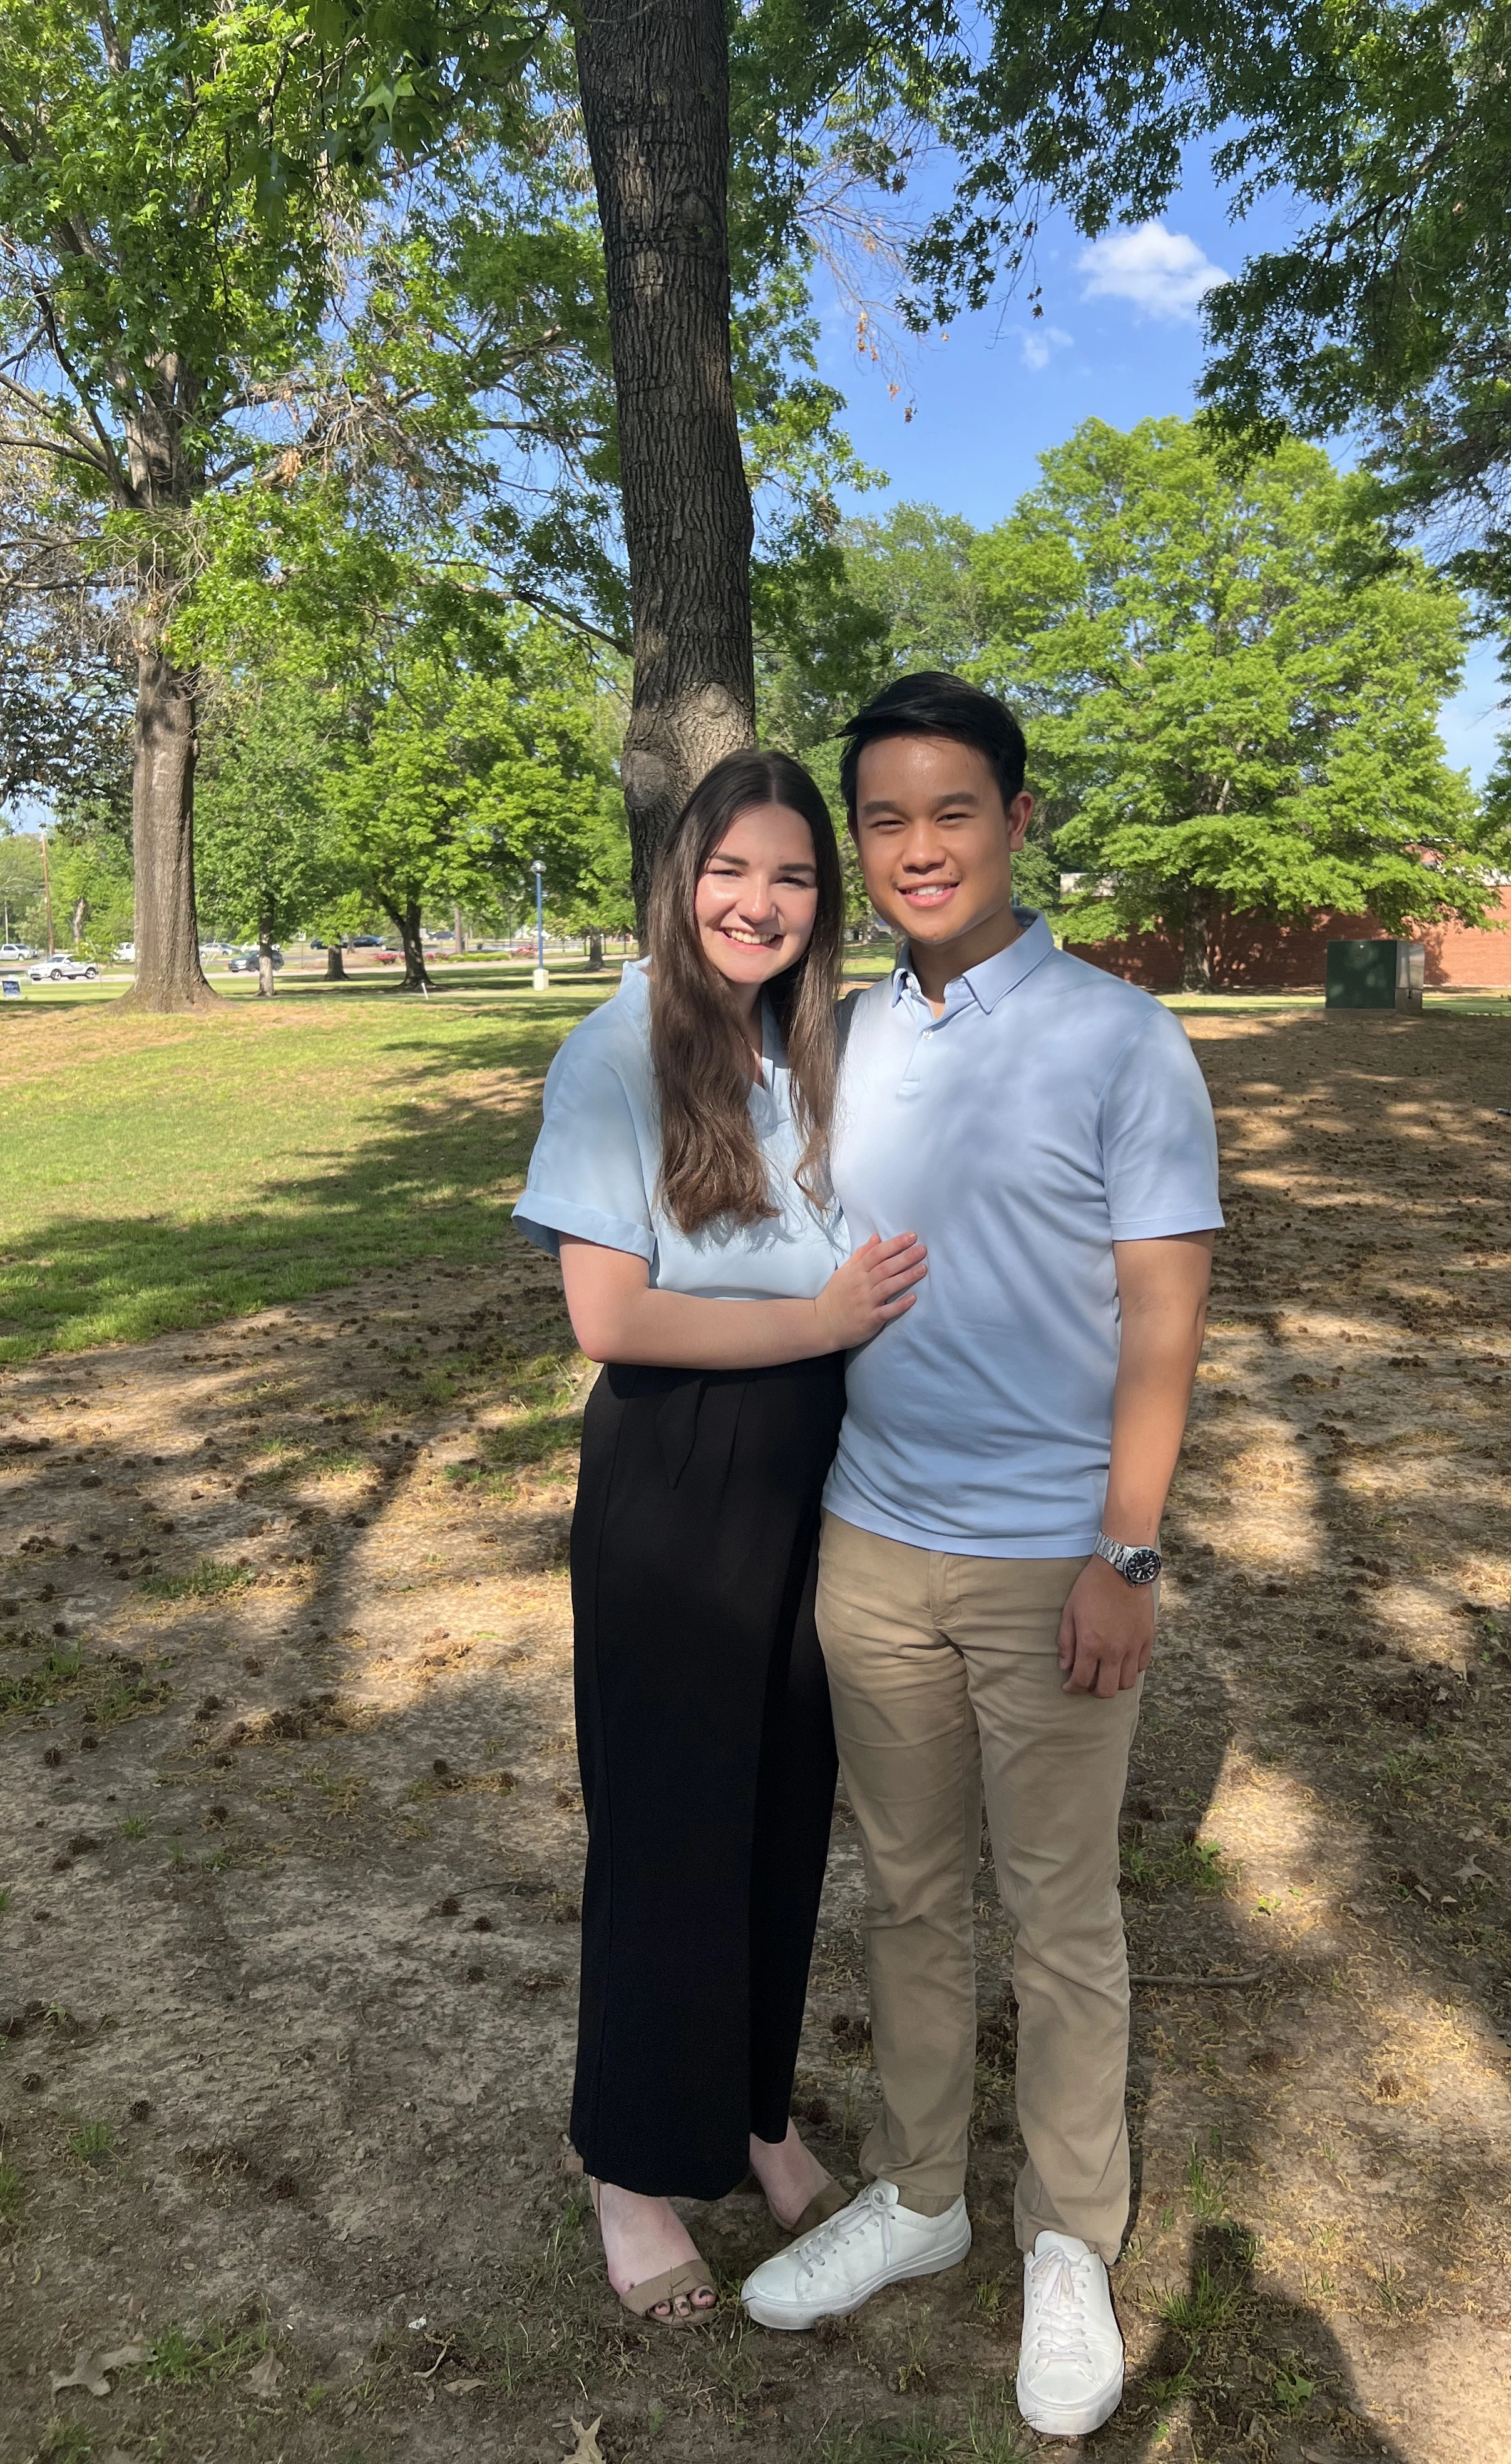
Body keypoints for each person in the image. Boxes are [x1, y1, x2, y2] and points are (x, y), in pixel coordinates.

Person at [740, 675, 1221, 2438]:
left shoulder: (1121, 1039)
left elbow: (1164, 1327)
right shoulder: (846, 1035)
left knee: (1063, 1919)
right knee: (913, 1896)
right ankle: (925, 2198)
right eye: (885, 818)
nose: (918, 846)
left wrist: (1129, 1551)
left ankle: (1071, 2242)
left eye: (954, 810)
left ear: (1020, 821)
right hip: (872, 1546)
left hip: (1051, 1564)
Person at [512, 748, 928, 2328]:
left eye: (795, 877)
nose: (760, 902)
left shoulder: (801, 1048)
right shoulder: (616, 1052)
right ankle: (630, 2164)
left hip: (815, 1472)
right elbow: (607, 1317)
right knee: (673, 1828)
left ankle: (755, 2113)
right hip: (681, 1480)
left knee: (778, 1815)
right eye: (732, 871)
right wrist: (818, 1319)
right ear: (682, 881)